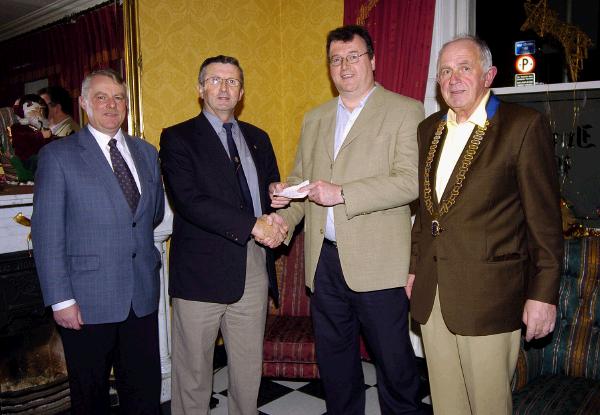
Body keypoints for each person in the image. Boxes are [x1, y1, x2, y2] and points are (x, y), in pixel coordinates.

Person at [270, 25, 425, 415]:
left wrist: (342, 193)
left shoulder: (405, 110)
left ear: (372, 60)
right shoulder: (315, 117)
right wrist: (283, 207)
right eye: (336, 59)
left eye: (353, 56)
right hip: (323, 264)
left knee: (395, 367)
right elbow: (302, 184)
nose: (345, 66)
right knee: (336, 367)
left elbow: (410, 182)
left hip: (379, 265)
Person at [407, 36, 563, 415]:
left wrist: (543, 294)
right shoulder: (429, 129)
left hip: (491, 297)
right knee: (446, 405)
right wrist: (414, 267)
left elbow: (544, 222)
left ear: (489, 75)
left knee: (489, 406)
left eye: (464, 68)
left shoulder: (522, 126)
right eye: (445, 71)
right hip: (433, 291)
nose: (453, 78)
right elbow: (427, 213)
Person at [31, 68, 165, 415]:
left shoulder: (147, 153)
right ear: (84, 104)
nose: (111, 105)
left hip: (142, 295)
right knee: (90, 397)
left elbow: (151, 215)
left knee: (143, 392)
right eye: (101, 97)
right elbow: (47, 235)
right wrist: (61, 300)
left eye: (118, 97)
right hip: (87, 301)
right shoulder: (58, 156)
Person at [159, 55, 286, 415]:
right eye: (215, 80)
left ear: (242, 92)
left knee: (247, 369)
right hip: (201, 272)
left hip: (252, 266)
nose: (224, 88)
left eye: (232, 81)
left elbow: (268, 192)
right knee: (194, 374)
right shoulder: (178, 137)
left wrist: (278, 203)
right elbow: (189, 201)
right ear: (200, 89)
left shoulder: (258, 138)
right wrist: (253, 224)